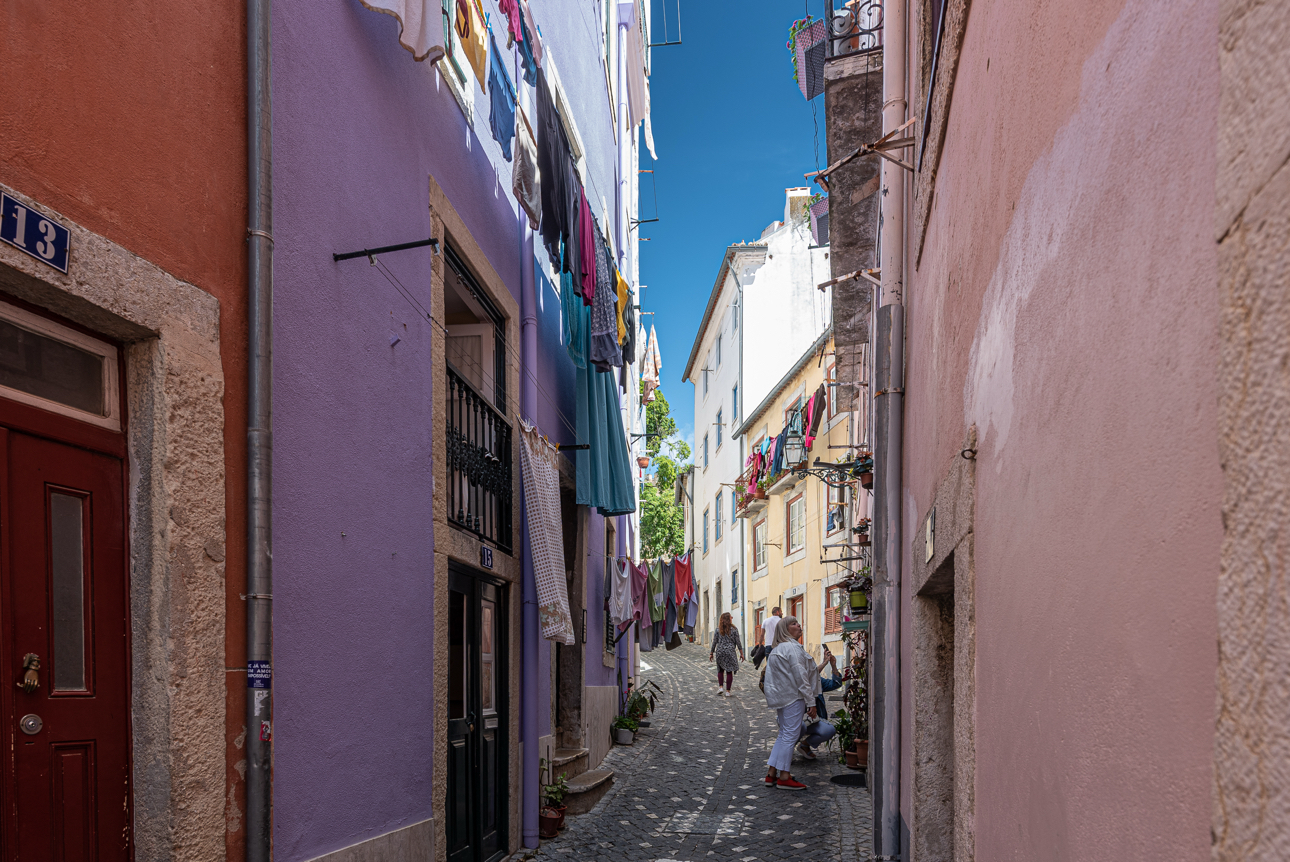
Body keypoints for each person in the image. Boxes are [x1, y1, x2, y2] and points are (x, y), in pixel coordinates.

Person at [761, 615, 818, 791]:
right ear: (786, 630)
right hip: (794, 697)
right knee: (790, 736)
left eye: (798, 622)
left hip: (783, 697)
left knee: (784, 734)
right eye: (794, 623)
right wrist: (811, 701)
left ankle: (771, 773)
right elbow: (801, 676)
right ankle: (784, 776)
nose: (799, 625)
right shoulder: (792, 648)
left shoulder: (777, 649)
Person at [797, 647, 841, 758]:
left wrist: (833, 665)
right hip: (794, 720)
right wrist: (824, 663)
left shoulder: (818, 681)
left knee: (829, 730)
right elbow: (807, 678)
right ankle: (786, 750)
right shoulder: (794, 676)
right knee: (799, 727)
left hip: (812, 720)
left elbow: (835, 684)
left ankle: (805, 745)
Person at [709, 612, 745, 697]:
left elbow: (714, 642)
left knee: (720, 670)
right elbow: (738, 642)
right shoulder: (734, 629)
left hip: (720, 651)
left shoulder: (718, 630)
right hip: (730, 652)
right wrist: (741, 653)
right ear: (728, 619)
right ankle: (728, 691)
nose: (732, 618)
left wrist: (711, 653)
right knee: (729, 671)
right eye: (730, 617)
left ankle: (721, 687)